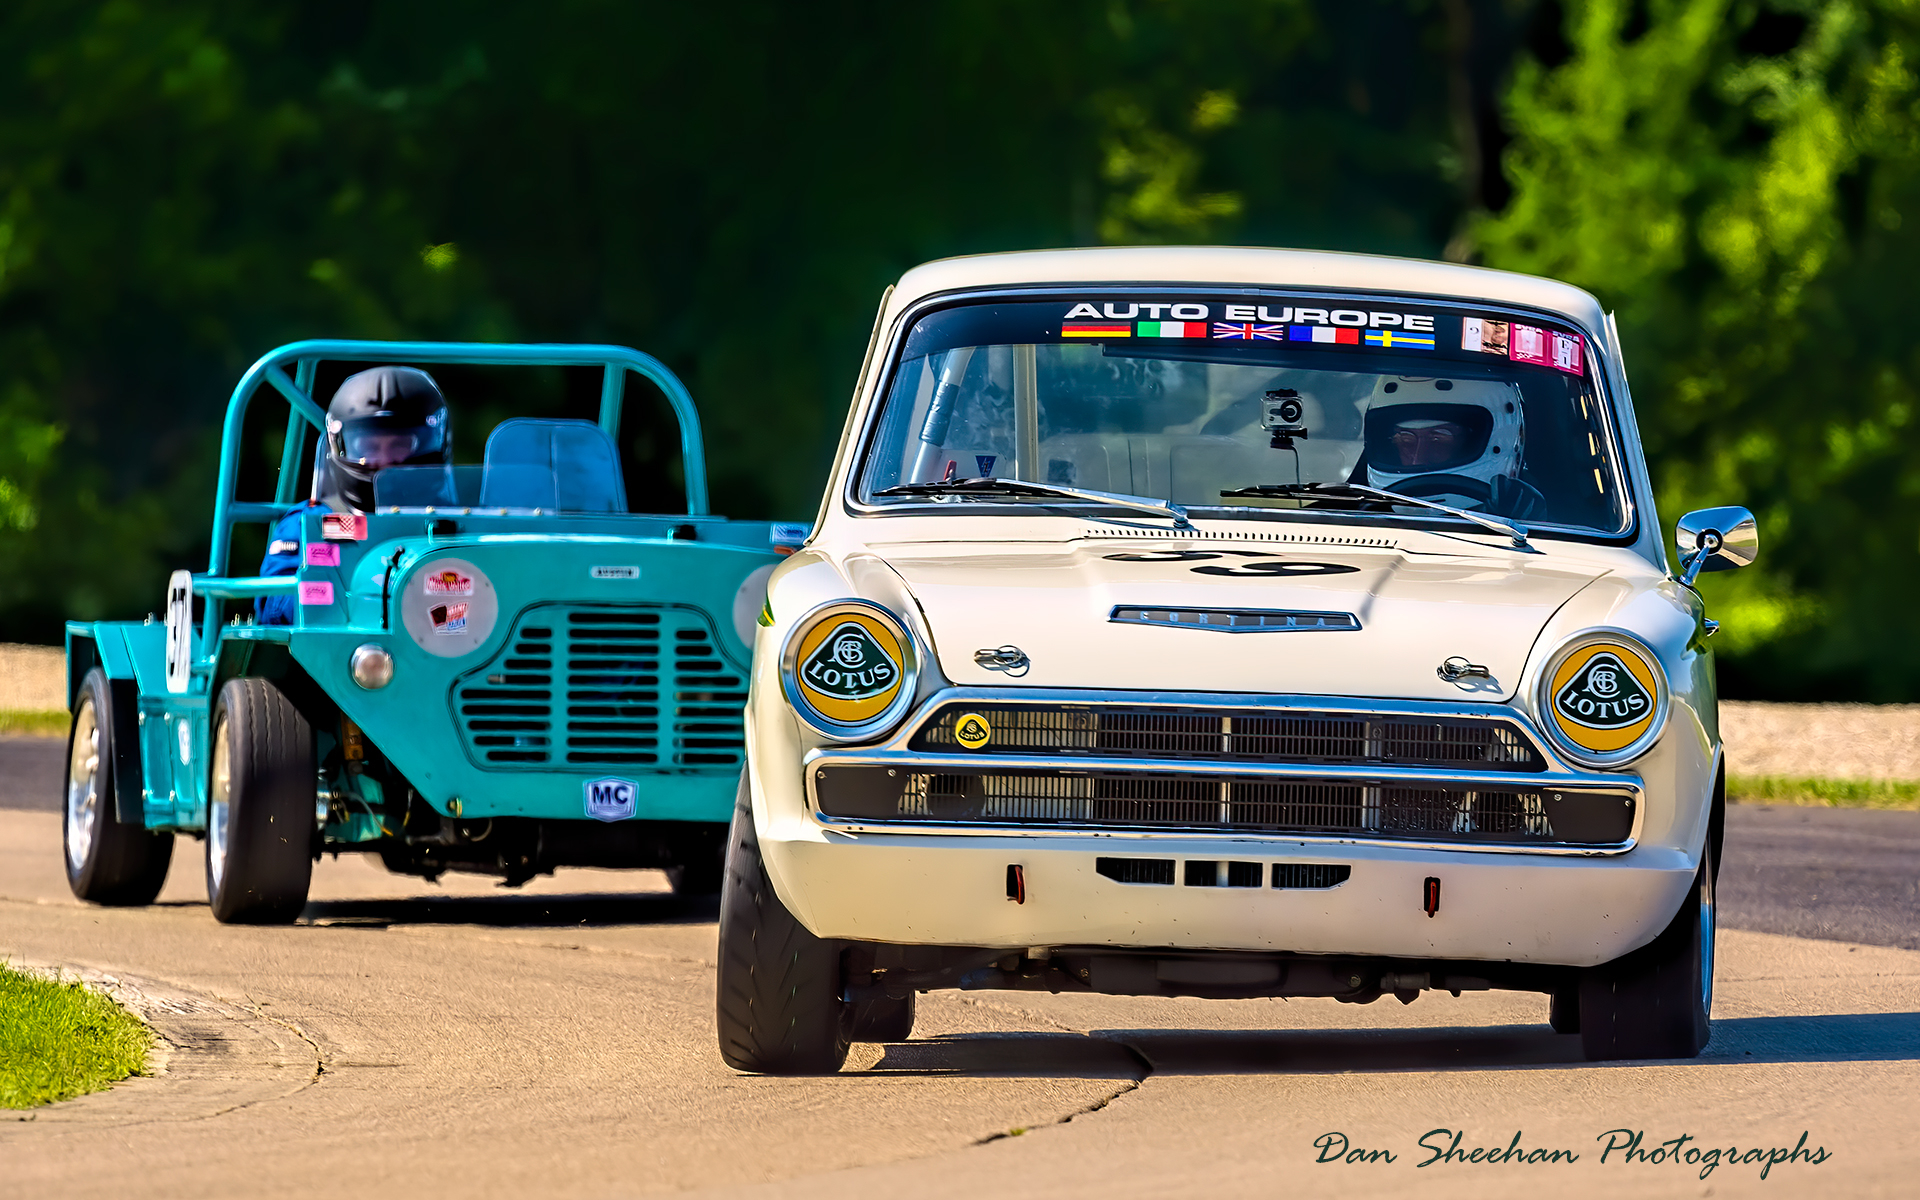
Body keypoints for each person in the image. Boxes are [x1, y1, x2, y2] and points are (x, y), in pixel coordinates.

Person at [257, 366, 450, 624]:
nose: (385, 461)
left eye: (402, 445)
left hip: (451, 651)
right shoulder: (309, 522)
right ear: (341, 446)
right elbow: (274, 606)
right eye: (369, 447)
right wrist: (342, 591)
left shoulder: (457, 522)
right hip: (335, 657)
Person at [1356, 375, 1545, 519]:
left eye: (1439, 438)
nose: (1418, 458)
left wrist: (1521, 521)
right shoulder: (1351, 510)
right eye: (1405, 440)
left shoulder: (1535, 522)